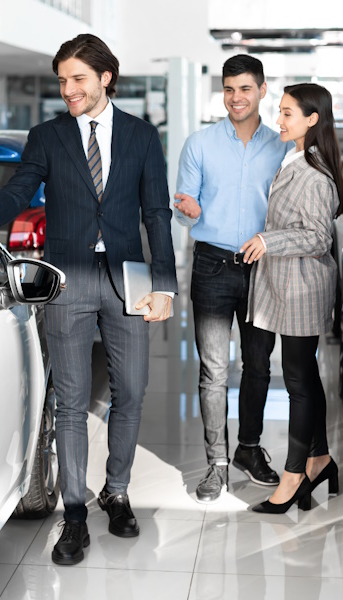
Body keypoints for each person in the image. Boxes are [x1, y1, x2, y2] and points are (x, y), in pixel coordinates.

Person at [0, 34, 178, 564]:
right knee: (69, 401)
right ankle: (74, 513)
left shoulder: (141, 136)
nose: (68, 90)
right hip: (67, 278)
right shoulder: (47, 136)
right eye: (62, 81)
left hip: (130, 275)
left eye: (78, 79)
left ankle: (116, 492)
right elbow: (20, 188)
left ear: (105, 78)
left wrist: (164, 284)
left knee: (132, 390)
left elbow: (157, 212)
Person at [174, 55, 292, 504]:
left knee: (259, 366)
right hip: (212, 264)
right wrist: (189, 211)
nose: (236, 97)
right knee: (214, 370)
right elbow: (186, 204)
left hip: (263, 267)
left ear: (262, 90)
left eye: (244, 88)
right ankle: (216, 464)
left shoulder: (282, 146)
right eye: (228, 89)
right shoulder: (200, 144)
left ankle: (248, 449)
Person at [240, 83, 342, 513]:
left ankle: (294, 474)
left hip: (303, 286)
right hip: (288, 284)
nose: (278, 120)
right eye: (279, 112)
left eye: (287, 114)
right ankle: (321, 459)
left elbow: (318, 237)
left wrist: (268, 239)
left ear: (312, 119)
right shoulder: (296, 158)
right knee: (303, 378)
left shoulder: (315, 173)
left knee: (298, 382)